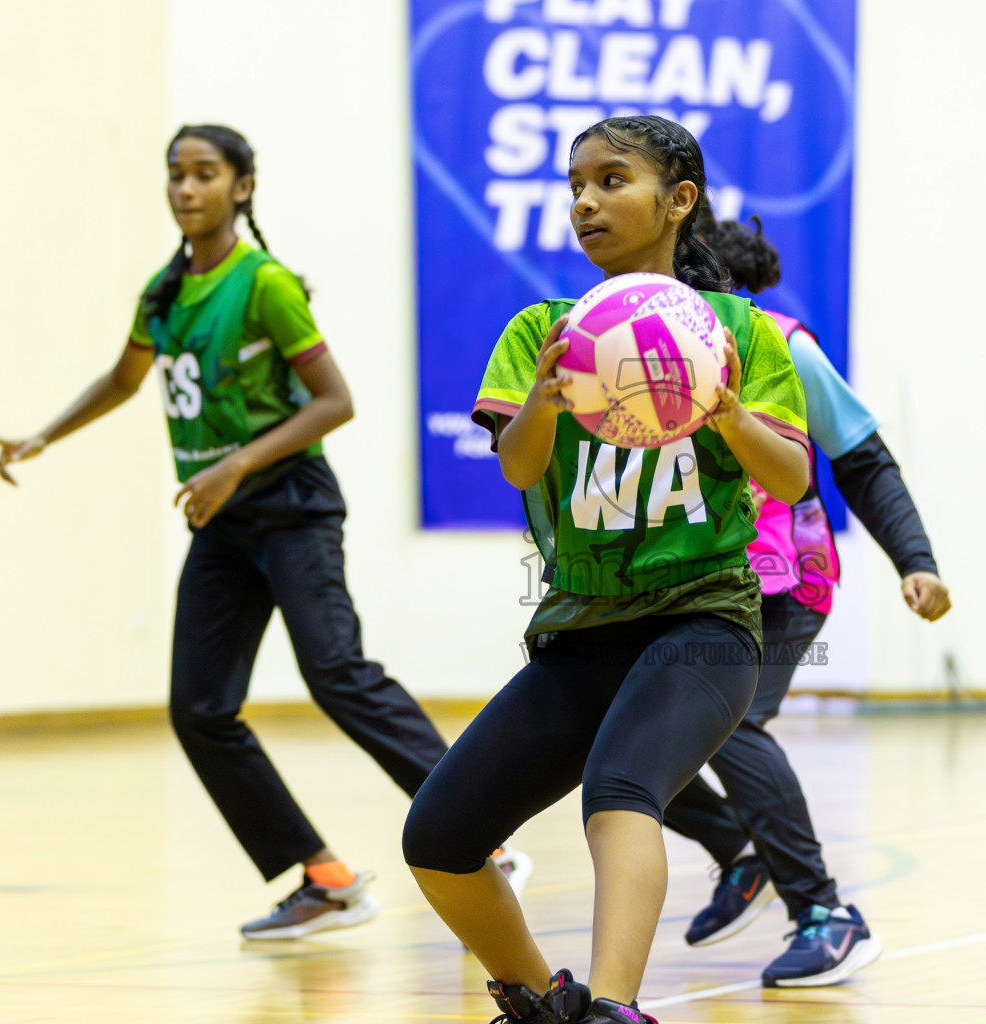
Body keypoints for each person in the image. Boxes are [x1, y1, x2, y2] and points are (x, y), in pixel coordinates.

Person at [0, 124, 515, 940]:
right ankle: (325, 879)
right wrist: (43, 436)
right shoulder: (163, 293)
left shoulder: (264, 282)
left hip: (292, 504)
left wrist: (234, 464)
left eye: (205, 174)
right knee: (199, 710)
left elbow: (335, 401)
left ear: (241, 186)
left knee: (336, 673)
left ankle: (481, 833)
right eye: (176, 174)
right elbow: (125, 378)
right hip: (223, 523)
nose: (186, 188)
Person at [401, 115, 810, 1024]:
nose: (586, 200)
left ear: (679, 200)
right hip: (582, 627)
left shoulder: (740, 331)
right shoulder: (540, 329)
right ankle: (540, 1001)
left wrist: (728, 414)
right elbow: (517, 465)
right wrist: (542, 405)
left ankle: (615, 1011)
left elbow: (791, 474)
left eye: (612, 180)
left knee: (620, 787)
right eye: (575, 184)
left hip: (703, 620)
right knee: (438, 835)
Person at [659, 212, 950, 987]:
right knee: (607, 724)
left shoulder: (781, 345)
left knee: (735, 722)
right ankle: (740, 851)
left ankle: (827, 918)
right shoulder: (640, 348)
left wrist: (914, 560)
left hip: (785, 576)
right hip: (689, 576)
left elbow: (862, 458)